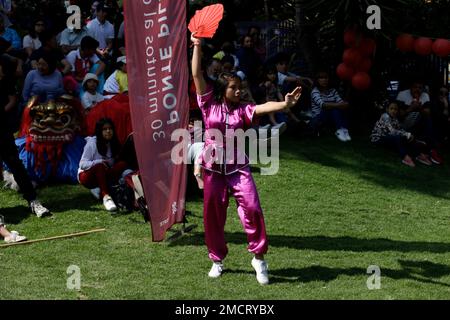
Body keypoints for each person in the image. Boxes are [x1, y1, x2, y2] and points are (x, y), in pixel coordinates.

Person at [191, 32, 302, 285]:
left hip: (238, 168)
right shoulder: (208, 103)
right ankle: (217, 260)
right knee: (213, 216)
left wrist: (284, 105)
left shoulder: (243, 110)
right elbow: (197, 74)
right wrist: (197, 46)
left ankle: (259, 259)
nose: (239, 91)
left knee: (252, 209)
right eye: (234, 88)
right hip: (213, 169)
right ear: (222, 90)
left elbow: (262, 108)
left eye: (240, 87)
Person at [0, 56, 51, 218]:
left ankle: (33, 200)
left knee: (15, 164)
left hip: (2, 129)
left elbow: (12, 99)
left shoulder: (5, 80)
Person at [78, 118, 128, 212]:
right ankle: (106, 197)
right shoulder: (92, 143)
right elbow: (82, 164)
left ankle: (105, 189)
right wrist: (99, 161)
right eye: (104, 129)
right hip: (87, 176)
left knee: (122, 164)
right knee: (99, 167)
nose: (108, 131)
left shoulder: (113, 143)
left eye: (110, 128)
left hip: (104, 175)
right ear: (99, 131)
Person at [371, 101, 432, 167]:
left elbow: (400, 129)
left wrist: (407, 134)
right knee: (398, 137)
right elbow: (392, 131)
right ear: (387, 109)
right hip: (378, 138)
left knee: (405, 137)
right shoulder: (385, 116)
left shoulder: (395, 119)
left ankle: (418, 154)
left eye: (395, 109)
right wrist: (406, 134)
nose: (393, 111)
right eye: (391, 109)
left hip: (389, 137)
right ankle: (405, 157)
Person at [396, 79, 443, 164]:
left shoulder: (424, 96)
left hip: (417, 126)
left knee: (427, 118)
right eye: (415, 87)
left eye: (420, 88)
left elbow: (427, 113)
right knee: (424, 118)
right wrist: (411, 108)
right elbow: (398, 115)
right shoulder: (402, 94)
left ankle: (430, 149)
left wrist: (420, 108)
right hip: (403, 125)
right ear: (410, 87)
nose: (417, 89)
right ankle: (431, 149)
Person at [310, 71, 351, 142]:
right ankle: (341, 130)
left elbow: (342, 103)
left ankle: (343, 130)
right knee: (334, 109)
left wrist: (342, 104)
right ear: (317, 80)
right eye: (321, 78)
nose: (324, 80)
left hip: (332, 115)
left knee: (338, 110)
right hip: (318, 117)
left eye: (326, 78)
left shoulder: (333, 91)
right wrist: (337, 105)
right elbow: (323, 105)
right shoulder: (315, 91)